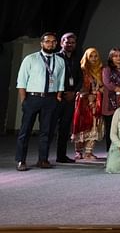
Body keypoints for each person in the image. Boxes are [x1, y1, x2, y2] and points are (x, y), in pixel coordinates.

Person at [15, 32, 66, 171]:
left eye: (53, 41)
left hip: (50, 98)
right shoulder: (30, 59)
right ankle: (21, 160)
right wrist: (23, 100)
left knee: (46, 131)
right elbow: (21, 81)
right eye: (47, 41)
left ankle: (43, 159)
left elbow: (61, 81)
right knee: (25, 130)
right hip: (32, 98)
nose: (50, 44)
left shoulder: (60, 60)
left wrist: (59, 96)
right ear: (41, 43)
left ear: (56, 44)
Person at [53, 32, 81, 163]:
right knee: (49, 126)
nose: (70, 44)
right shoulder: (55, 57)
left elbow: (80, 79)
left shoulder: (77, 59)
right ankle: (43, 158)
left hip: (70, 97)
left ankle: (61, 156)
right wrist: (60, 92)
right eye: (67, 42)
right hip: (56, 97)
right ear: (61, 43)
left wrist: (74, 92)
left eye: (72, 42)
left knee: (64, 128)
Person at [72, 48, 104, 161]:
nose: (94, 59)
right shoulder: (82, 70)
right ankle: (78, 151)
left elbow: (103, 86)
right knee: (81, 124)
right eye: (91, 56)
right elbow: (77, 86)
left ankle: (89, 152)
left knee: (94, 125)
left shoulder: (101, 70)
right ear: (86, 57)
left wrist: (98, 92)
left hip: (96, 101)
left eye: (96, 56)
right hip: (83, 101)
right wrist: (86, 94)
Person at [101, 47, 120, 153]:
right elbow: (108, 84)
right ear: (111, 57)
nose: (118, 58)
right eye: (115, 56)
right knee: (111, 128)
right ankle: (111, 153)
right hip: (110, 101)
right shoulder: (107, 69)